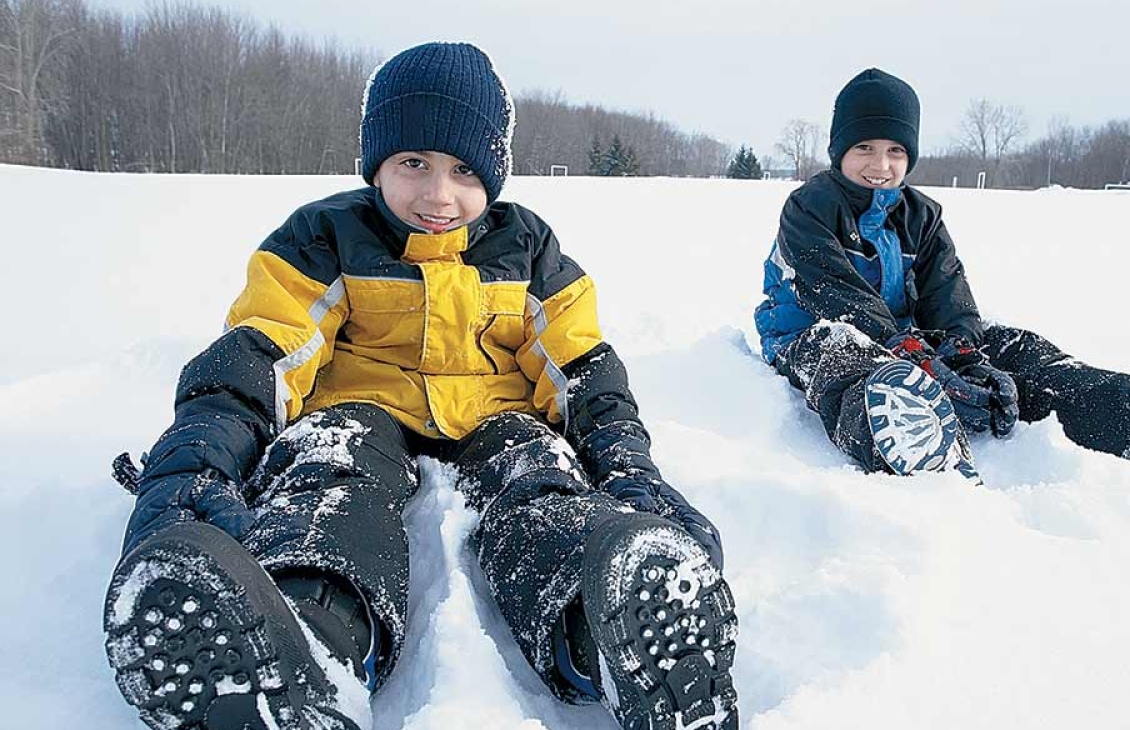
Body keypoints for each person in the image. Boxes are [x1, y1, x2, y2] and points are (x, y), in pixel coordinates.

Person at [102, 42, 738, 730]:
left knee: (540, 481)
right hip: (363, 409)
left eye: (465, 171)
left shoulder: (527, 248)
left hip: (496, 415)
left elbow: (581, 367)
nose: (440, 195)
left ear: (495, 175)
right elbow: (263, 351)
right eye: (414, 164)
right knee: (329, 477)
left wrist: (629, 469)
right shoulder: (326, 237)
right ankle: (305, 648)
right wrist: (195, 463)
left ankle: (608, 635)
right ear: (376, 162)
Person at [754, 68, 1130, 478]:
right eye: (864, 148)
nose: (880, 165)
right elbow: (834, 293)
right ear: (839, 150)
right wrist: (909, 353)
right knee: (844, 356)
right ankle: (905, 443)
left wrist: (963, 353)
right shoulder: (810, 207)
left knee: (1012, 347)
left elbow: (948, 292)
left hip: (906, 337)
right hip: (811, 332)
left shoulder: (922, 215)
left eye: (895, 151)